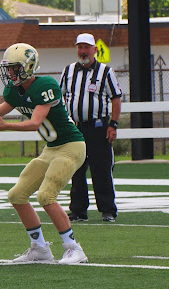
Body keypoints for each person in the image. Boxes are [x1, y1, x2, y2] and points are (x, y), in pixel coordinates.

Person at [0, 43, 88, 264]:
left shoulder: (45, 85)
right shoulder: (13, 91)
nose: (9, 73)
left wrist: (6, 126)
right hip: (51, 149)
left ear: (28, 67)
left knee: (46, 196)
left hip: (71, 146)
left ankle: (74, 248)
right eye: (7, 68)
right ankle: (39, 249)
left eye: (14, 68)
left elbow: (34, 123)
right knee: (16, 195)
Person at [60, 33, 122, 223]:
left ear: (94, 50)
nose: (83, 51)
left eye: (87, 47)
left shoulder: (105, 71)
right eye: (80, 47)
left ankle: (108, 210)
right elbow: (60, 96)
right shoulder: (68, 70)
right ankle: (78, 210)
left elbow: (116, 98)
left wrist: (113, 124)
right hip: (75, 128)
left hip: (98, 127)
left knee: (101, 170)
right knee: (75, 170)